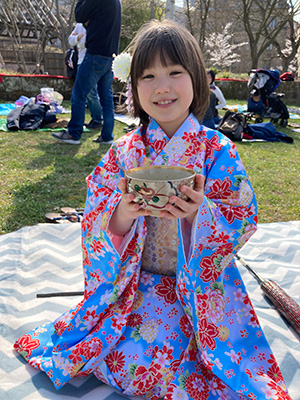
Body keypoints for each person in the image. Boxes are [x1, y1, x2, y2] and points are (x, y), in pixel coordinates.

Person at [14, 20, 291, 400]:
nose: (162, 86)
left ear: (197, 80)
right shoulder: (124, 152)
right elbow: (96, 213)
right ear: (134, 87)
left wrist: (198, 215)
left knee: (193, 364)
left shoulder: (217, 150)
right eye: (148, 76)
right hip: (134, 283)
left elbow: (242, 216)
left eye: (175, 72)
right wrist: (123, 213)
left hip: (197, 289)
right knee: (127, 359)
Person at [52, 0, 121, 145]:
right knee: (106, 99)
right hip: (110, 56)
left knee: (78, 95)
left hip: (95, 54)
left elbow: (80, 15)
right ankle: (107, 136)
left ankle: (73, 134)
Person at [68, 22, 103, 130]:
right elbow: (71, 41)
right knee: (83, 94)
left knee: (91, 93)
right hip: (80, 61)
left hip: (90, 62)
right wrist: (78, 37)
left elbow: (88, 44)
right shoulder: (79, 26)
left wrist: (79, 41)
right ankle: (92, 120)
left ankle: (97, 120)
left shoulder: (97, 24)